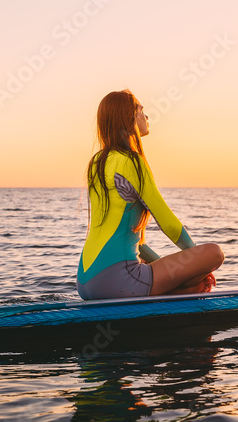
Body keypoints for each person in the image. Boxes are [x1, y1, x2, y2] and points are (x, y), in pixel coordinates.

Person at [77, 89, 224, 300]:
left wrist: (175, 274)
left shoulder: (97, 164)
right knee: (214, 253)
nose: (146, 117)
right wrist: (197, 265)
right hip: (118, 281)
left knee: (147, 264)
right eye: (141, 111)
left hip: (85, 282)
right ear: (128, 118)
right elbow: (168, 223)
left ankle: (180, 290)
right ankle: (184, 289)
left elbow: (139, 245)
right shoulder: (131, 162)